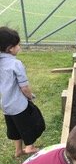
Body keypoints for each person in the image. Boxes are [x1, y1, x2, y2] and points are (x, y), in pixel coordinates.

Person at [0, 26, 45, 157]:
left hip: (6, 104)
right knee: (28, 125)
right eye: (18, 45)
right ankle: (30, 147)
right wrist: (30, 96)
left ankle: (18, 150)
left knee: (14, 127)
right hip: (19, 105)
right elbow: (24, 87)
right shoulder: (16, 64)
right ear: (10, 48)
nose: (19, 47)